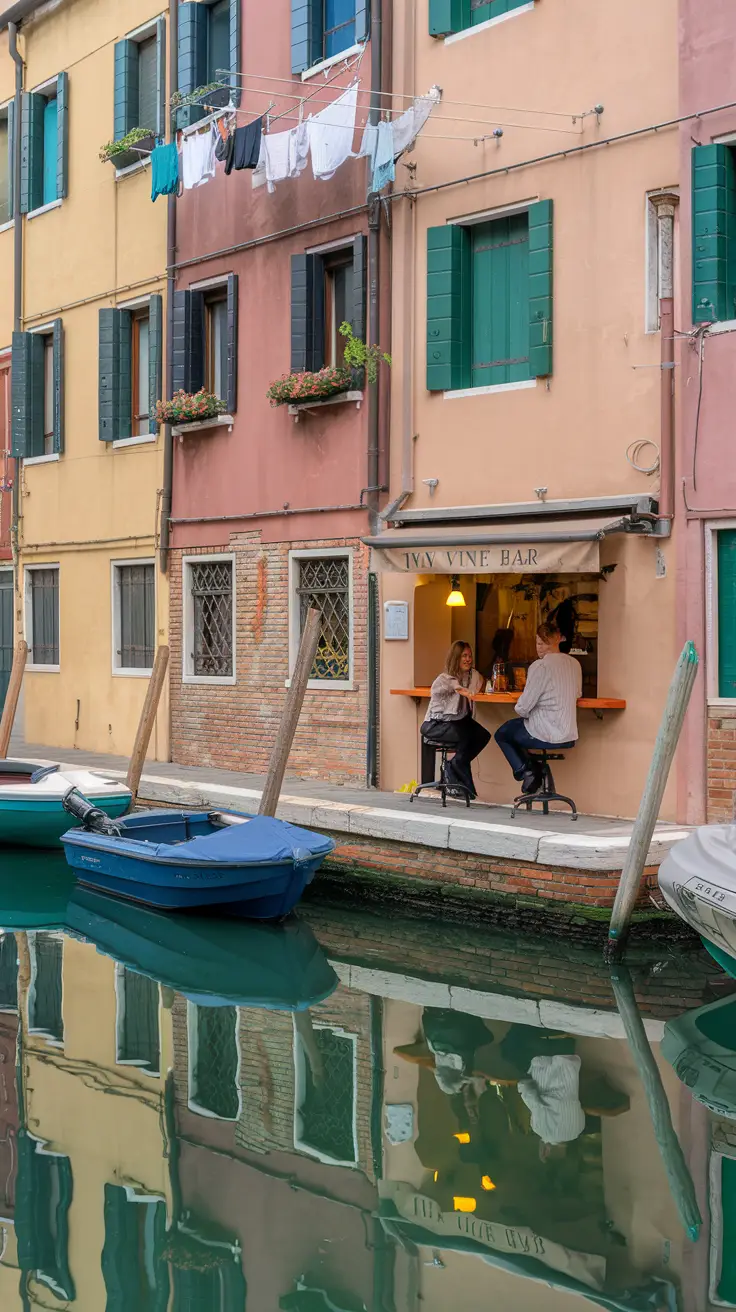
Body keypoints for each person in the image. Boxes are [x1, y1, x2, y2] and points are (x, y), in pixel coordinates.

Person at [494, 622, 582, 795]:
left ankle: (527, 772)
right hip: (568, 735)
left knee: (503, 734)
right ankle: (534, 771)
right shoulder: (574, 664)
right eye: (537, 643)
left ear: (553, 642)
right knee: (514, 730)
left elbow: (523, 708)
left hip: (543, 733)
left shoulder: (540, 666)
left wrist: (525, 708)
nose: (539, 648)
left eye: (542, 643)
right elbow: (578, 694)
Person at [421, 642, 490, 799]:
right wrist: (464, 691)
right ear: (456, 658)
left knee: (482, 735)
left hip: (458, 721)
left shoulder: (472, 675)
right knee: (465, 735)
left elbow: (481, 683)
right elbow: (456, 687)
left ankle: (455, 763)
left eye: (470, 656)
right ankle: (454, 772)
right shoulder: (444, 679)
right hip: (436, 724)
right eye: (464, 656)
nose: (468, 659)